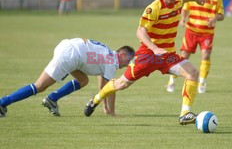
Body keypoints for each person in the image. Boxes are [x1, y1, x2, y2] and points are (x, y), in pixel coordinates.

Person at [84, 0, 205, 125]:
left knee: (193, 73)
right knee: (122, 84)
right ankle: (95, 99)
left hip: (167, 56)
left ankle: (185, 113)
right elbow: (140, 32)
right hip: (148, 56)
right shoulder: (153, 8)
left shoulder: (178, 0)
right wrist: (154, 48)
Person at [0, 38, 135, 117]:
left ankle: (52, 99)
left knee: (83, 80)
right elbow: (110, 88)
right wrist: (111, 111)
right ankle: (2, 103)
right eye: (128, 59)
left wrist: (104, 107)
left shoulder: (108, 55)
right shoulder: (112, 62)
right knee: (40, 86)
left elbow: (103, 83)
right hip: (71, 55)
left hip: (67, 45)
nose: (128, 64)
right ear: (122, 55)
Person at [166, 0, 224, 94]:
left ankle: (202, 82)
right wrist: (183, 19)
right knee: (183, 57)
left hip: (207, 33)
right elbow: (185, 9)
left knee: (206, 56)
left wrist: (215, 18)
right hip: (191, 31)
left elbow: (221, 15)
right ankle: (172, 80)